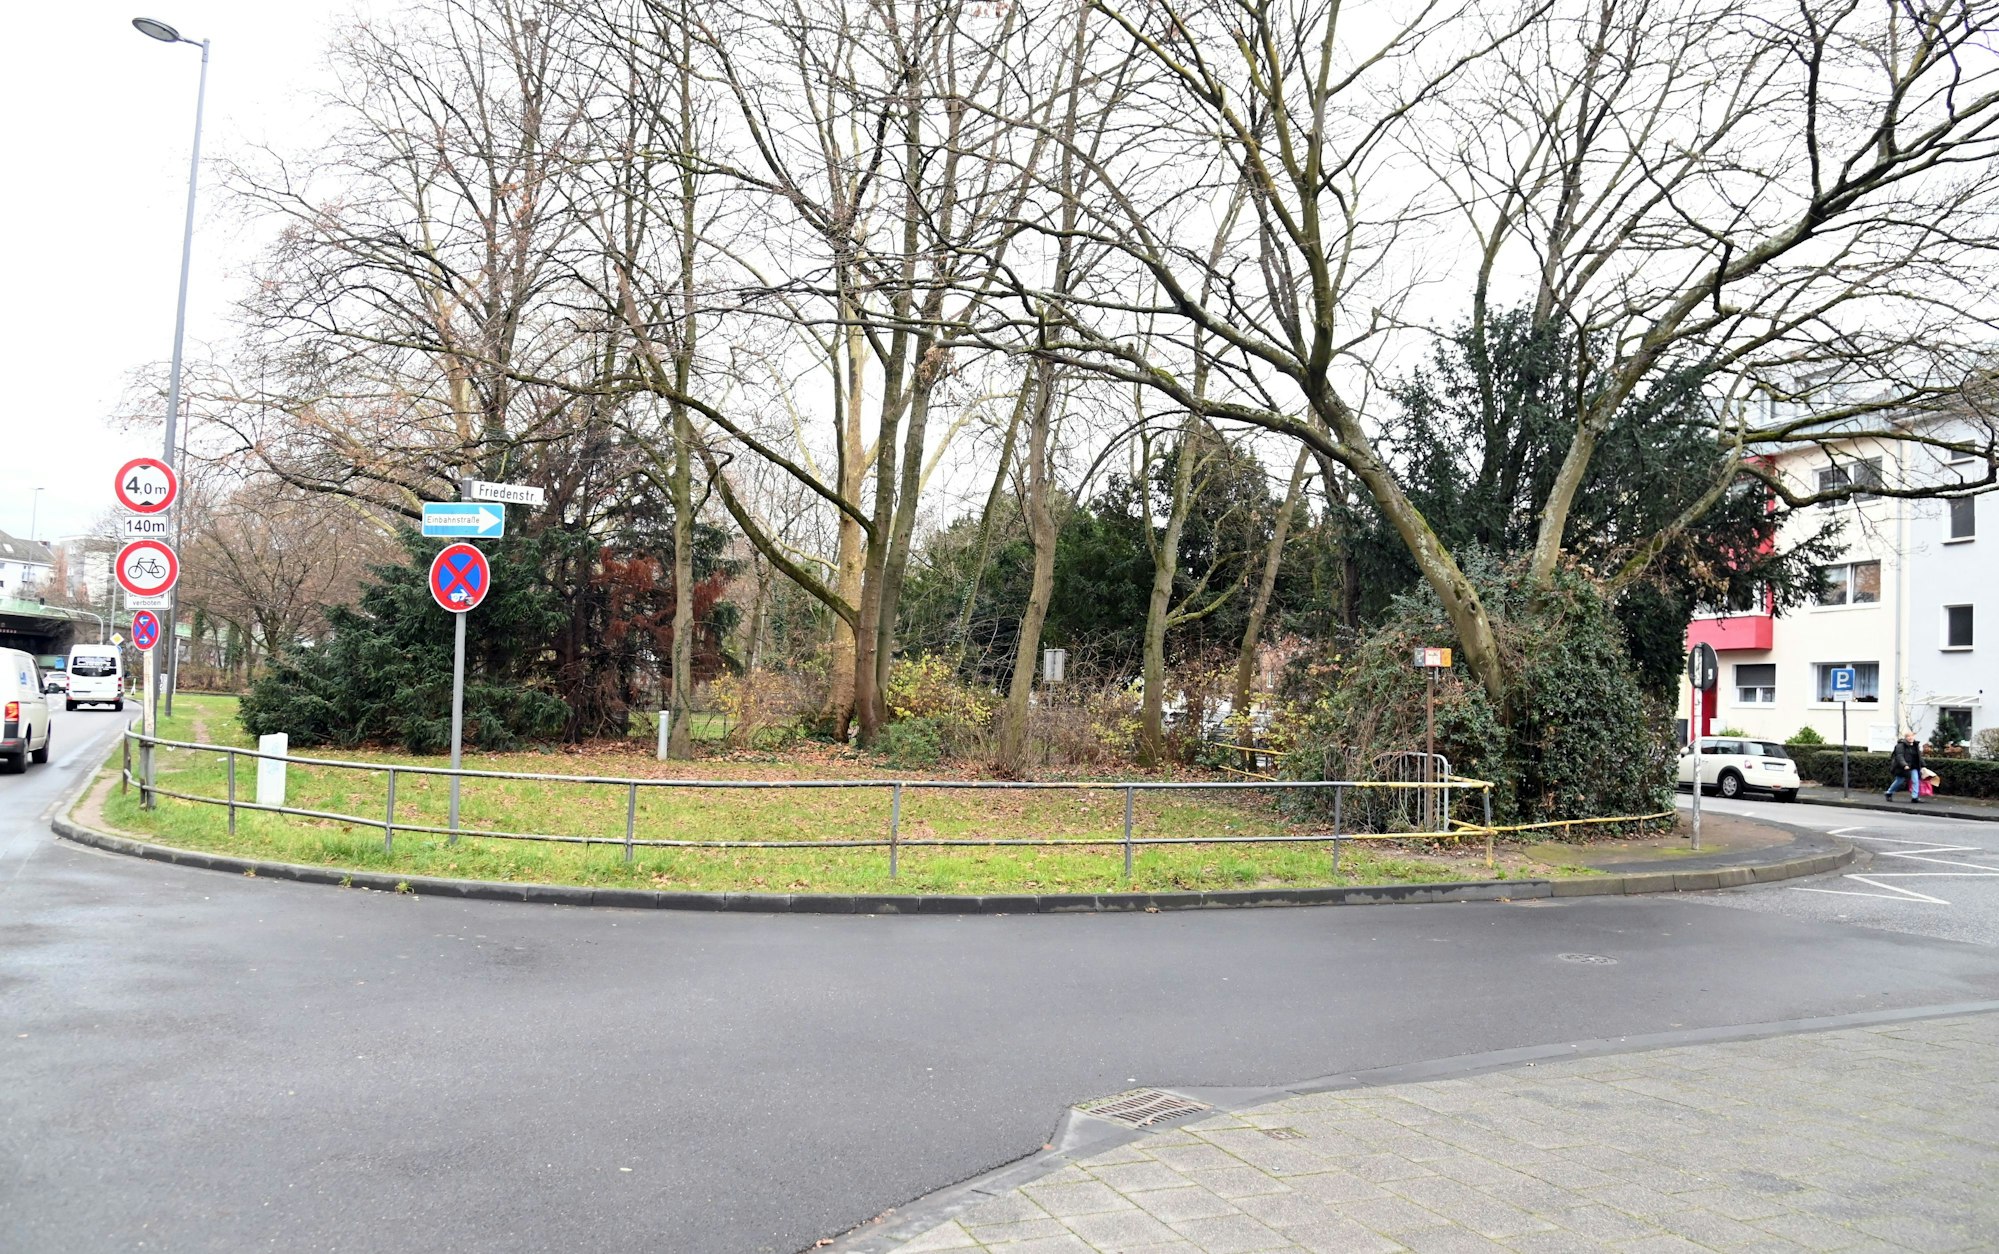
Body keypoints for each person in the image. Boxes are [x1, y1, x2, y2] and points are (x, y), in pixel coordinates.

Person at [1886, 731, 1925, 803]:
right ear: (1905, 738)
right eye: (1908, 736)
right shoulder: (1900, 746)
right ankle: (1889, 793)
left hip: (1913, 766)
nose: (1910, 738)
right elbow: (1899, 756)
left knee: (1915, 781)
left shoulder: (1915, 745)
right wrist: (1904, 765)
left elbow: (1919, 756)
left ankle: (1915, 797)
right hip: (1902, 767)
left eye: (1912, 736)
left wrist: (1923, 765)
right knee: (1899, 781)